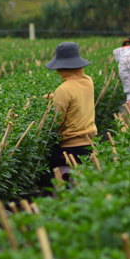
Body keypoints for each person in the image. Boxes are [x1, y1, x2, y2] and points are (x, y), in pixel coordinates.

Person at [45, 42, 96, 176]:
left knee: (41, 164)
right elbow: (75, 97)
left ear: (61, 68)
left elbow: (55, 122)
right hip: (89, 145)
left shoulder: (63, 89)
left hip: (70, 150)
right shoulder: (88, 81)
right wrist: (52, 97)